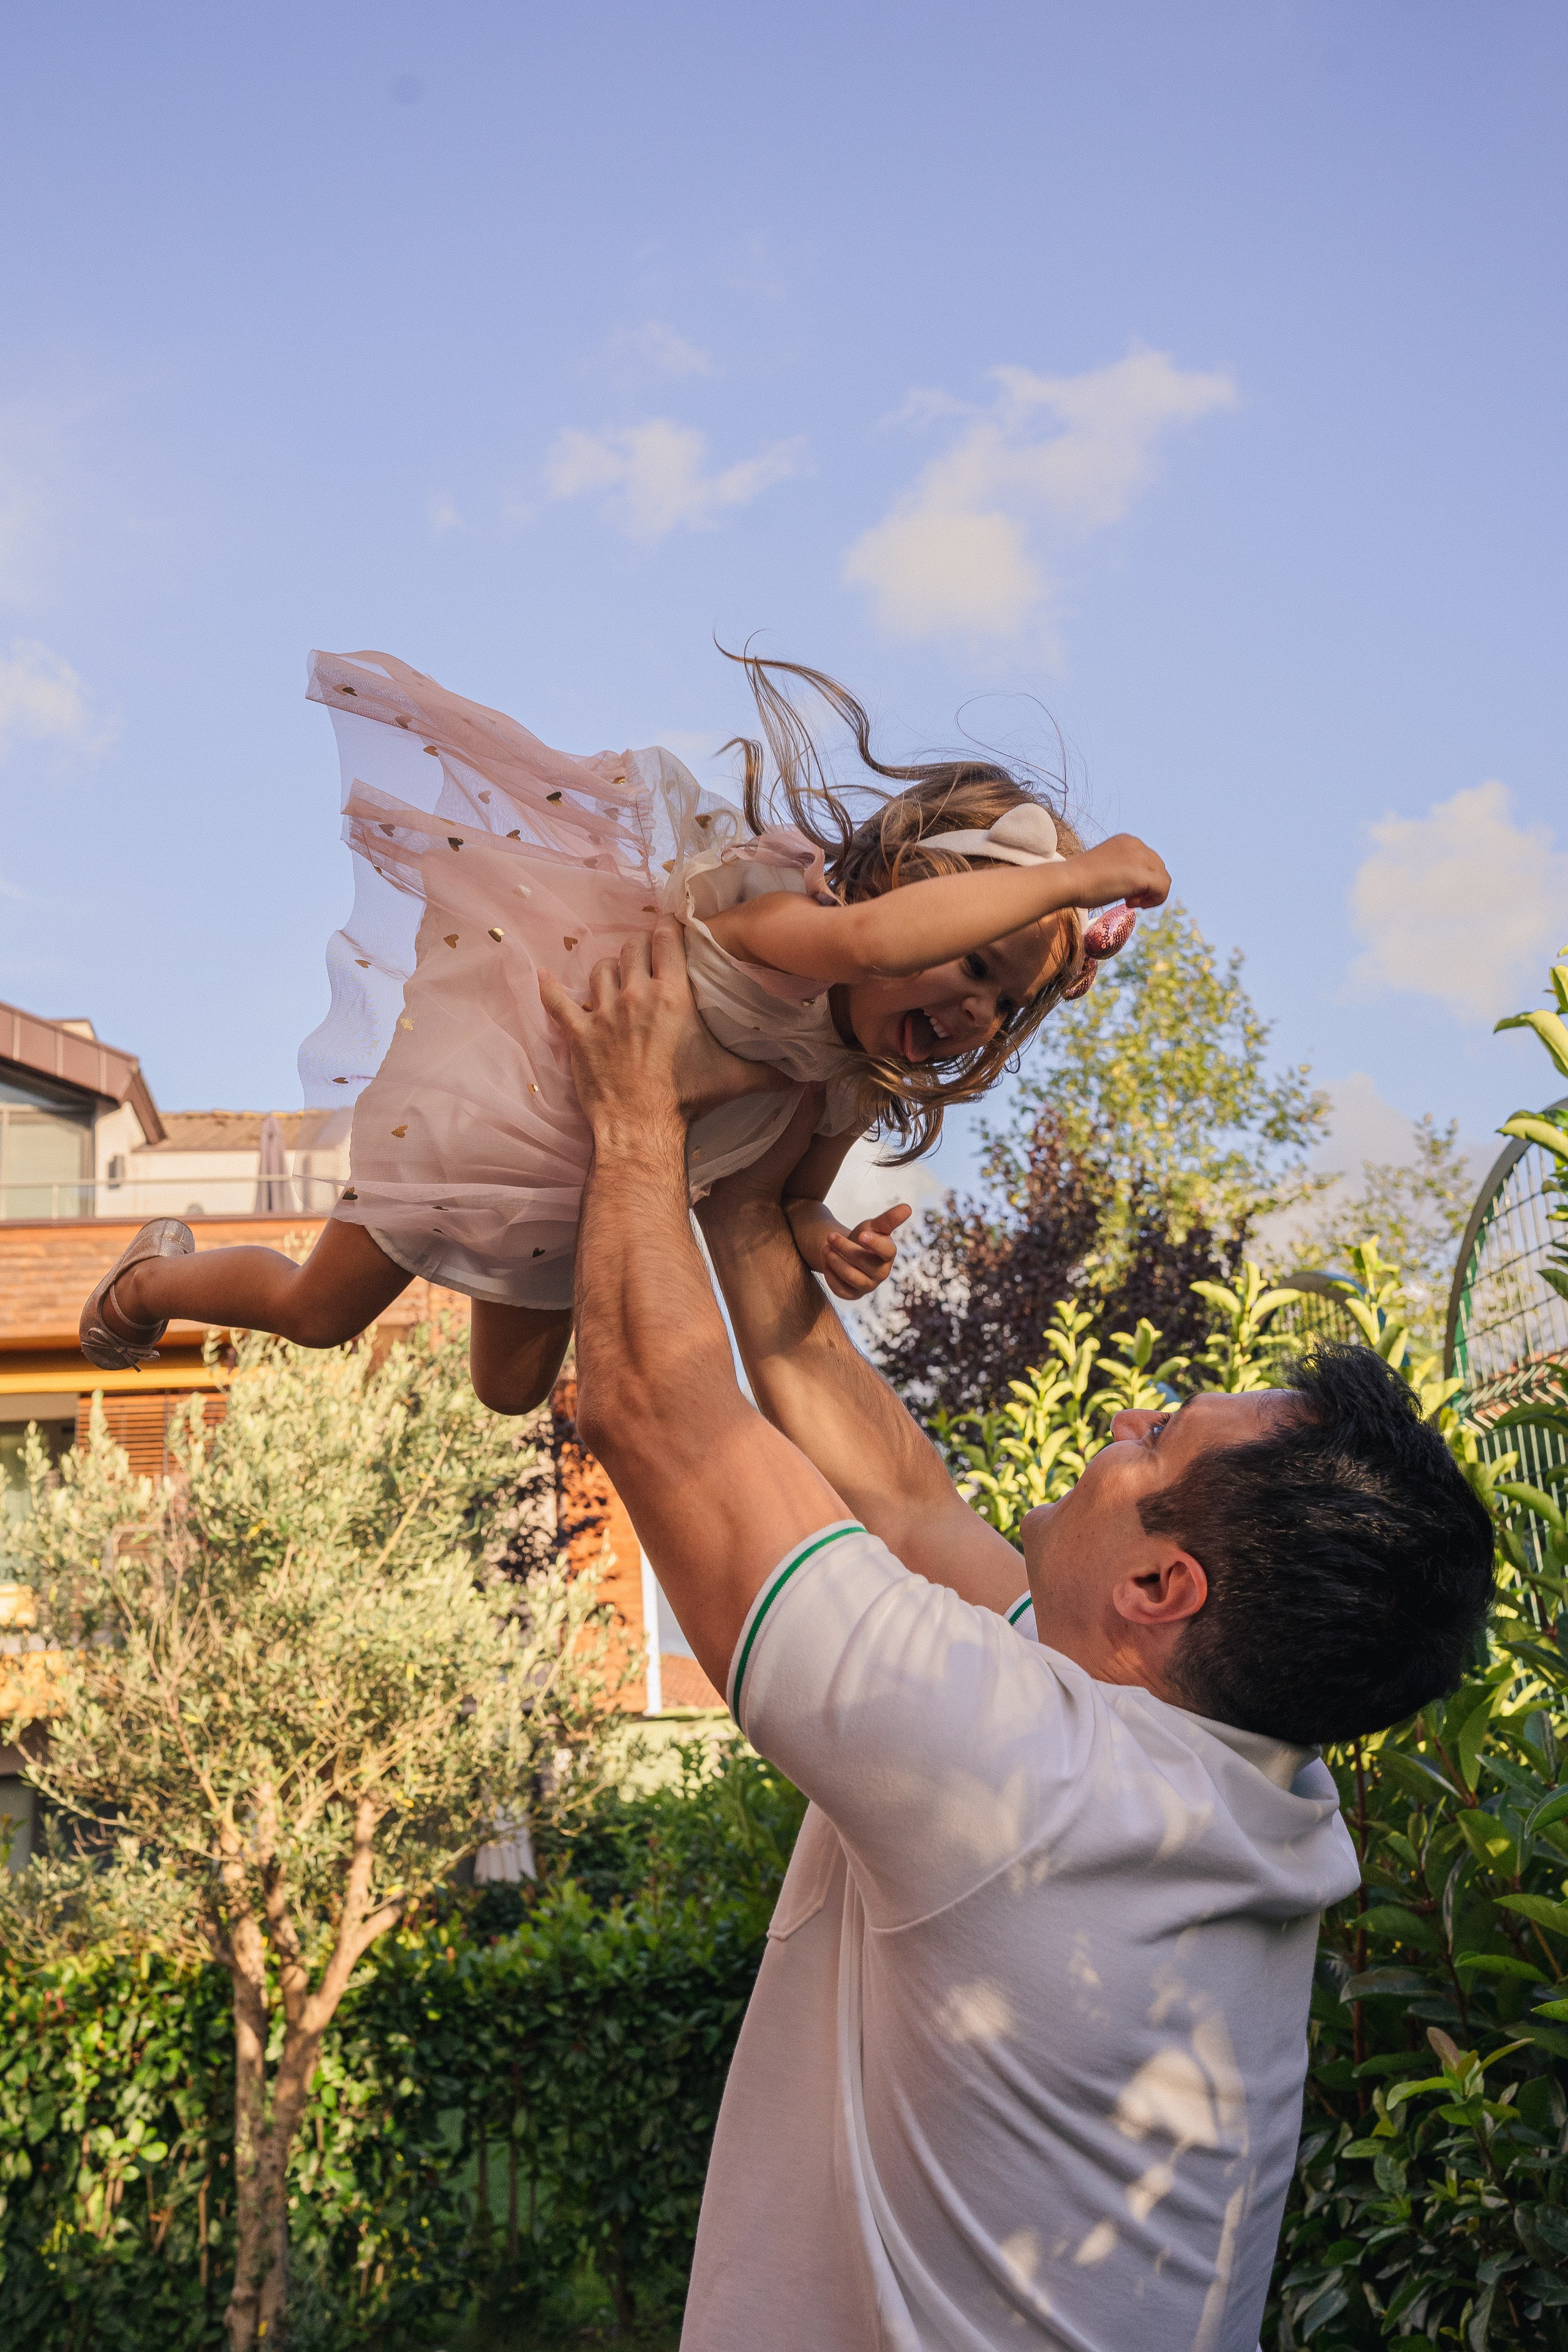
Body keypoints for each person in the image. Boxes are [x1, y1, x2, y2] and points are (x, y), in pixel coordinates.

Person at [540, 922, 1496, 2352]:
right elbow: (907, 1503)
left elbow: (650, 1408)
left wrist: (629, 1116)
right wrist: (749, 1192)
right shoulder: (1212, 1781)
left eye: (1155, 1436)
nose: (1120, 1419)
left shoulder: (1023, 1783)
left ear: (1162, 1591)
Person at [78, 649, 1158, 1411]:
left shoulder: (852, 1082)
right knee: (321, 1313)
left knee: (508, 1394)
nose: (978, 1008)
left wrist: (830, 1242)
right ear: (895, 887)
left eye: (1006, 1002)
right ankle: (149, 1281)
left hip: (592, 1191)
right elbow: (877, 944)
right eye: (975, 960)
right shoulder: (787, 924)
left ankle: (469, 1270)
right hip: (496, 1115)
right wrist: (1079, 875)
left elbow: (787, 1198)